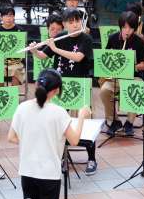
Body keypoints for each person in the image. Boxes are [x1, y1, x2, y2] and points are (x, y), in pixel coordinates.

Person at [30, 9, 97, 175]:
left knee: (85, 120)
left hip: (80, 84)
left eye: (77, 21)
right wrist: (34, 51)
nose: (75, 25)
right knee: (60, 121)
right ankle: (61, 157)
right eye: (71, 22)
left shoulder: (86, 39)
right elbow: (43, 55)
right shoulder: (60, 38)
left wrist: (55, 48)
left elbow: (78, 57)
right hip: (61, 85)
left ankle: (91, 158)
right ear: (65, 24)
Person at [8, 68, 91, 199]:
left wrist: (31, 141)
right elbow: (74, 140)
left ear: (36, 85)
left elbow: (11, 137)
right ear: (56, 90)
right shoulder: (59, 112)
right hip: (49, 174)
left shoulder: (22, 107)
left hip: (27, 170)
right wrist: (81, 116)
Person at [100, 11, 144, 137]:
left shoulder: (139, 42)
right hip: (115, 77)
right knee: (104, 91)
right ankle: (114, 121)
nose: (127, 31)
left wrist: (130, 67)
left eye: (131, 28)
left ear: (134, 28)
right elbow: (106, 57)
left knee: (136, 88)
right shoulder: (113, 38)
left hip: (133, 77)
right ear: (120, 26)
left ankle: (129, 122)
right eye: (124, 27)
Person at [0, 4, 26, 85]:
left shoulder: (20, 31)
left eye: (11, 15)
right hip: (1, 61)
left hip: (16, 62)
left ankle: (13, 91)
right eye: (6, 16)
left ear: (14, 17)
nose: (8, 18)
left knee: (16, 70)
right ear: (1, 17)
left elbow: (24, 49)